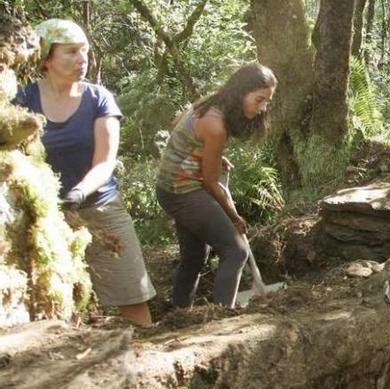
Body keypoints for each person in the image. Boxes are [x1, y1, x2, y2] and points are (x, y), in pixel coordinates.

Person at [15, 19, 156, 326]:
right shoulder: (23, 100)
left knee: (132, 299)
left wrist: (78, 192)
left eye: (85, 51)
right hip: (44, 221)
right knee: (54, 303)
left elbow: (105, 162)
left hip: (101, 210)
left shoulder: (98, 99)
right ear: (47, 58)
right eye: (71, 52)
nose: (82, 59)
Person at [156, 63, 276, 308]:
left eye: (267, 102)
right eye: (259, 99)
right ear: (243, 92)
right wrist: (233, 216)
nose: (263, 108)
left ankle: (180, 314)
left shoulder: (211, 102)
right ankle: (222, 319)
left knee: (195, 256)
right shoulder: (216, 124)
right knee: (236, 251)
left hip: (169, 188)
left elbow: (184, 133)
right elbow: (211, 182)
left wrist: (209, 154)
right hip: (182, 191)